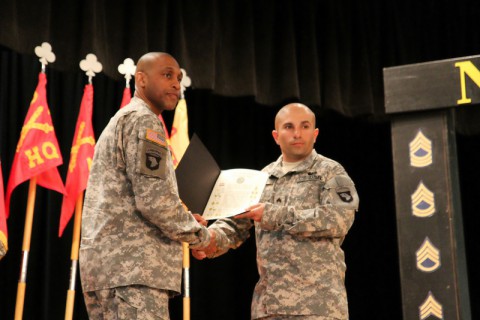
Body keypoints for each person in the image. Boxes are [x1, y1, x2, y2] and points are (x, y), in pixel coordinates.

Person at [194, 103, 359, 320]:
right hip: (269, 307)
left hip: (318, 305)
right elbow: (234, 225)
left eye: (305, 126)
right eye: (289, 127)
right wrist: (207, 239)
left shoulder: (331, 172)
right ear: (276, 135)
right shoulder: (262, 178)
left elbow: (339, 219)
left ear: (315, 133)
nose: (297, 133)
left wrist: (275, 215)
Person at [79, 52, 212, 319]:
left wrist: (185, 221)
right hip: (133, 271)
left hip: (110, 269)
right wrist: (201, 236)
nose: (176, 83)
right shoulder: (144, 120)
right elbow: (154, 201)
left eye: (179, 77)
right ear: (140, 79)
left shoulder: (124, 118)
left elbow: (139, 196)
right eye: (167, 75)